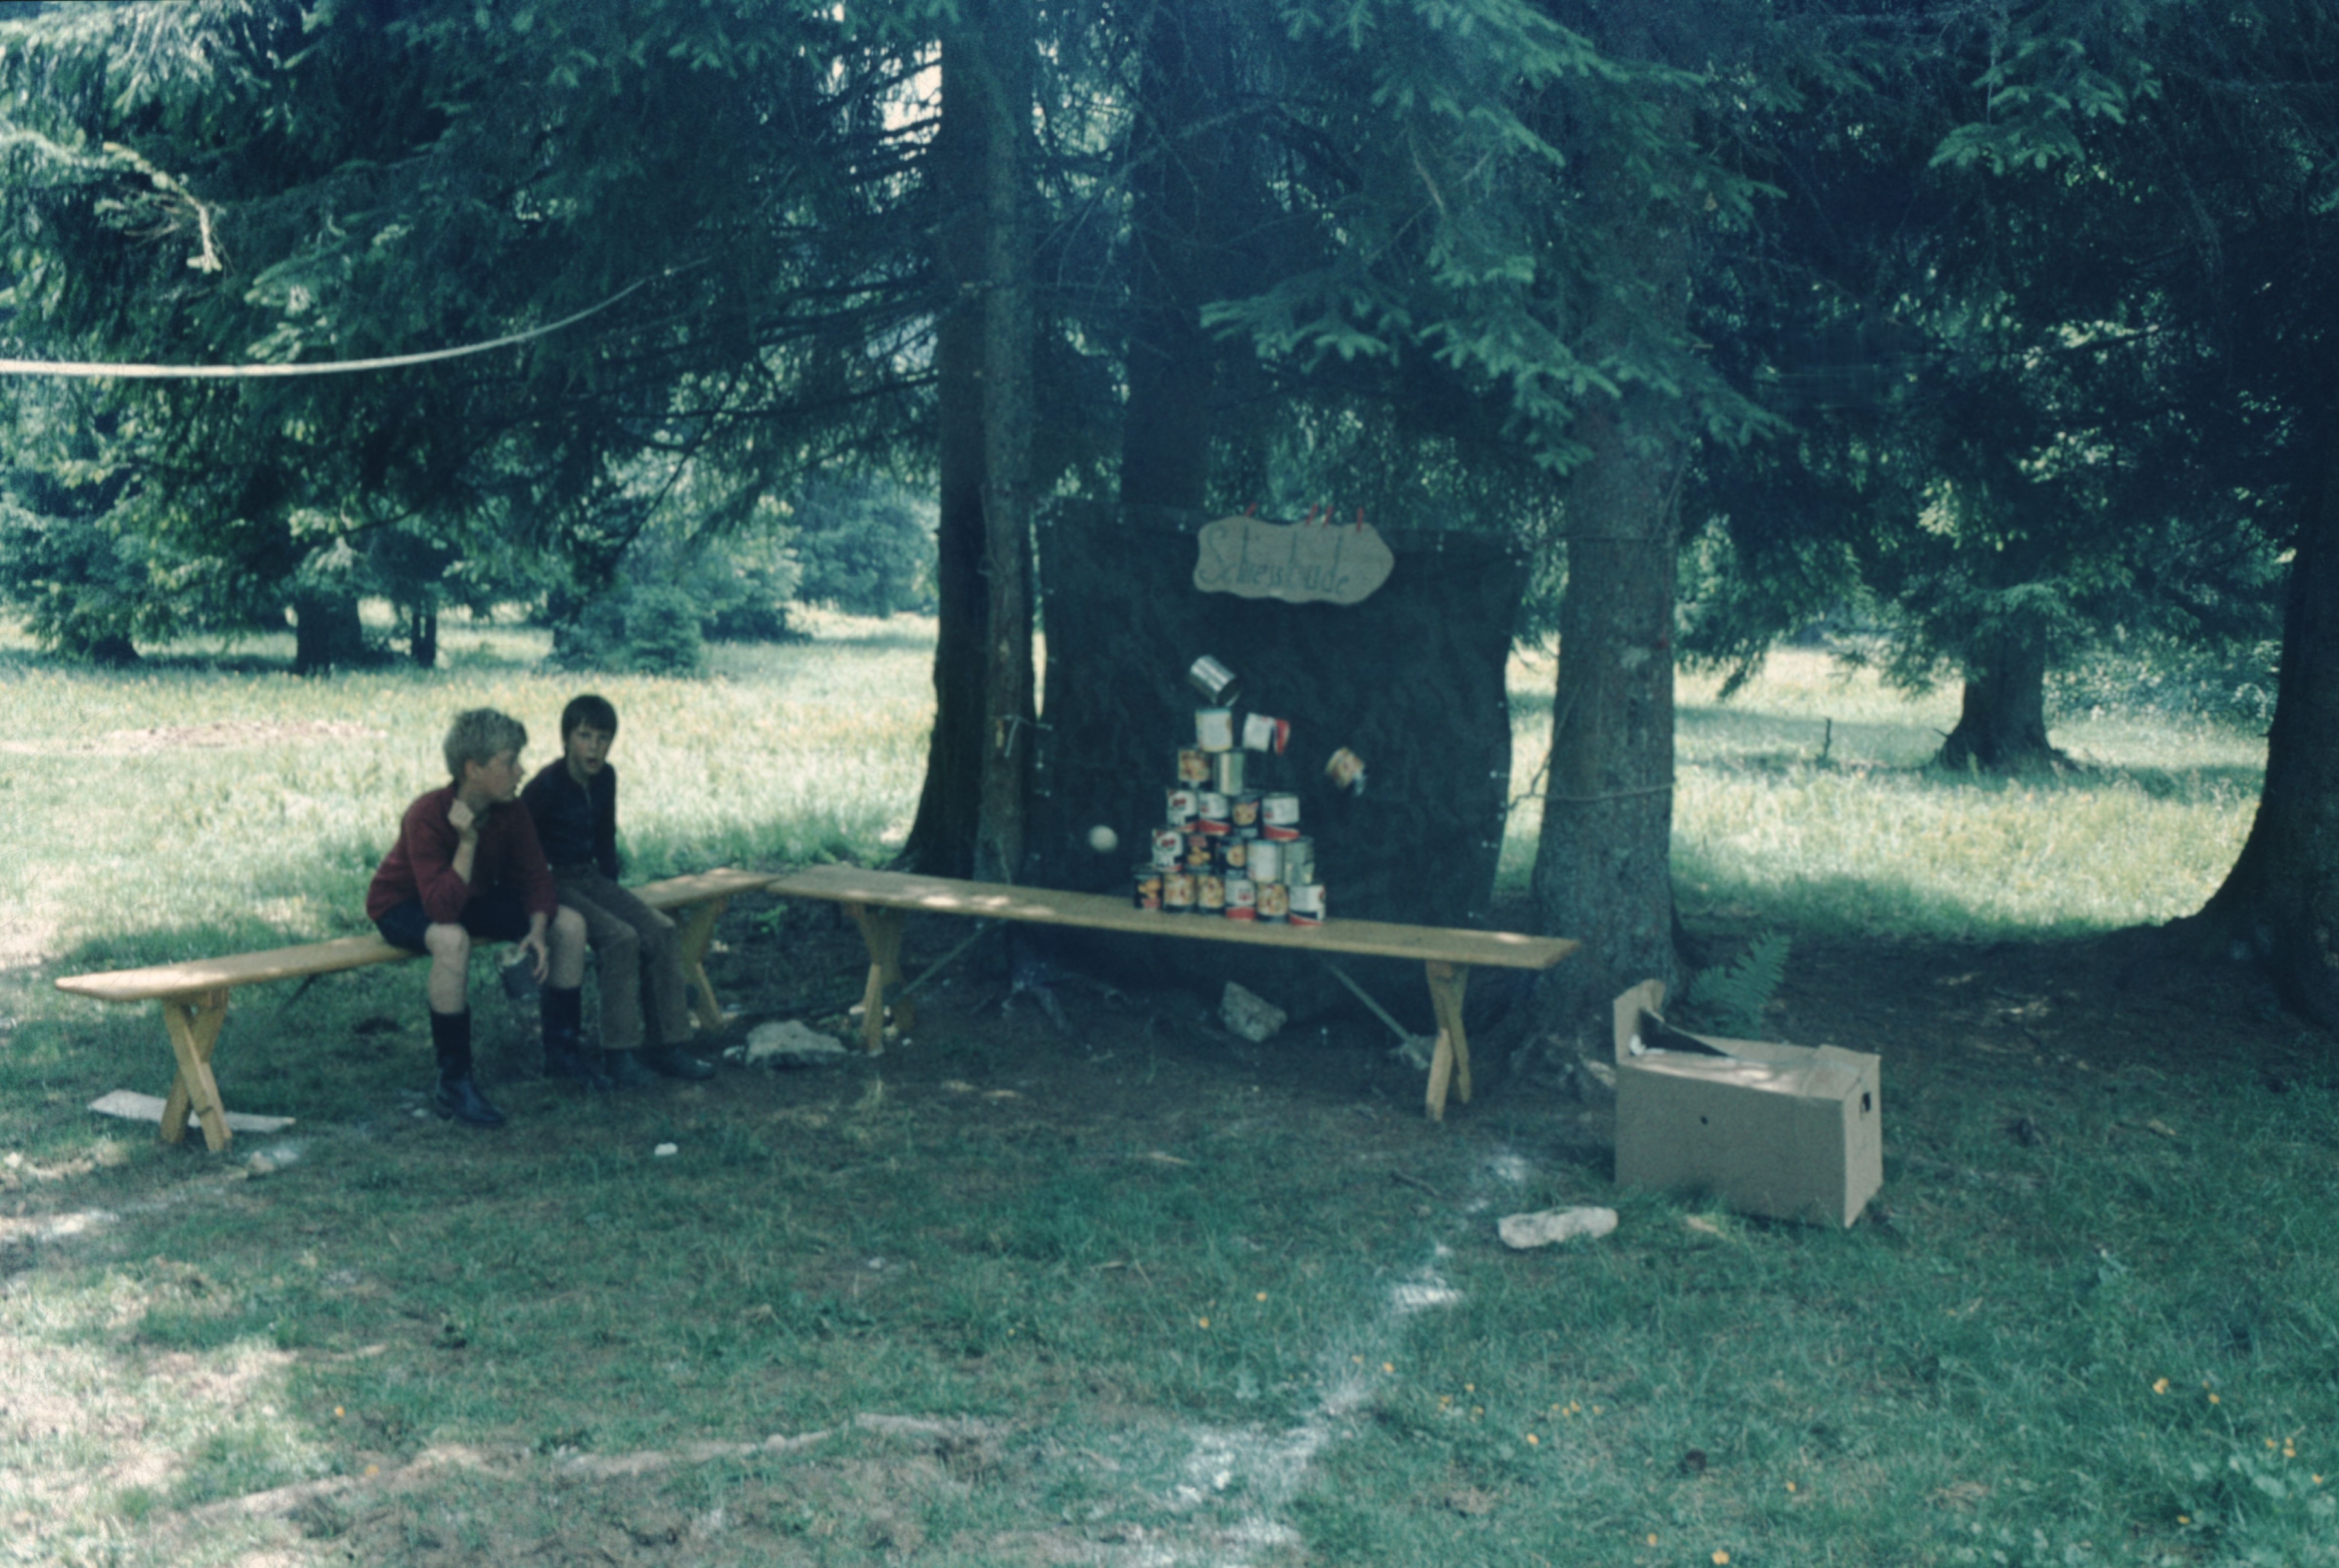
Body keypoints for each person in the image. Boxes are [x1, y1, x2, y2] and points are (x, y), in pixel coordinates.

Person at [366, 708, 597, 1127]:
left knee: (569, 924)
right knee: (451, 940)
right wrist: (468, 842)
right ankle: (454, 1082)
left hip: (466, 896)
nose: (521, 771)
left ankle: (563, 1055)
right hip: (405, 903)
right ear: (473, 769)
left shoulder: (511, 810)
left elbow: (535, 877)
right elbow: (441, 909)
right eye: (510, 762)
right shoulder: (426, 815)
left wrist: (538, 931)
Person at [521, 694, 716, 1085]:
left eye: (603, 738)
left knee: (660, 930)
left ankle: (669, 1045)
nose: (594, 748)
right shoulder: (544, 787)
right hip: (553, 882)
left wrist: (614, 892)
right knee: (620, 939)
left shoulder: (606, 778)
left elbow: (605, 839)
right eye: (585, 737)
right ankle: (619, 1054)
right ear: (566, 739)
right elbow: (522, 851)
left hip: (592, 877)